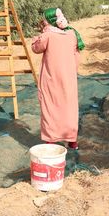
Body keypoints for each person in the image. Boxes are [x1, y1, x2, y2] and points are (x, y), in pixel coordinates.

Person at [31, 8, 83, 149]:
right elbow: (76, 56)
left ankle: (51, 140)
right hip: (69, 78)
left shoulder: (48, 35)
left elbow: (36, 48)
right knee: (69, 107)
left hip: (51, 78)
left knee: (51, 106)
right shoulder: (72, 34)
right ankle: (72, 141)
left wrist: (36, 37)